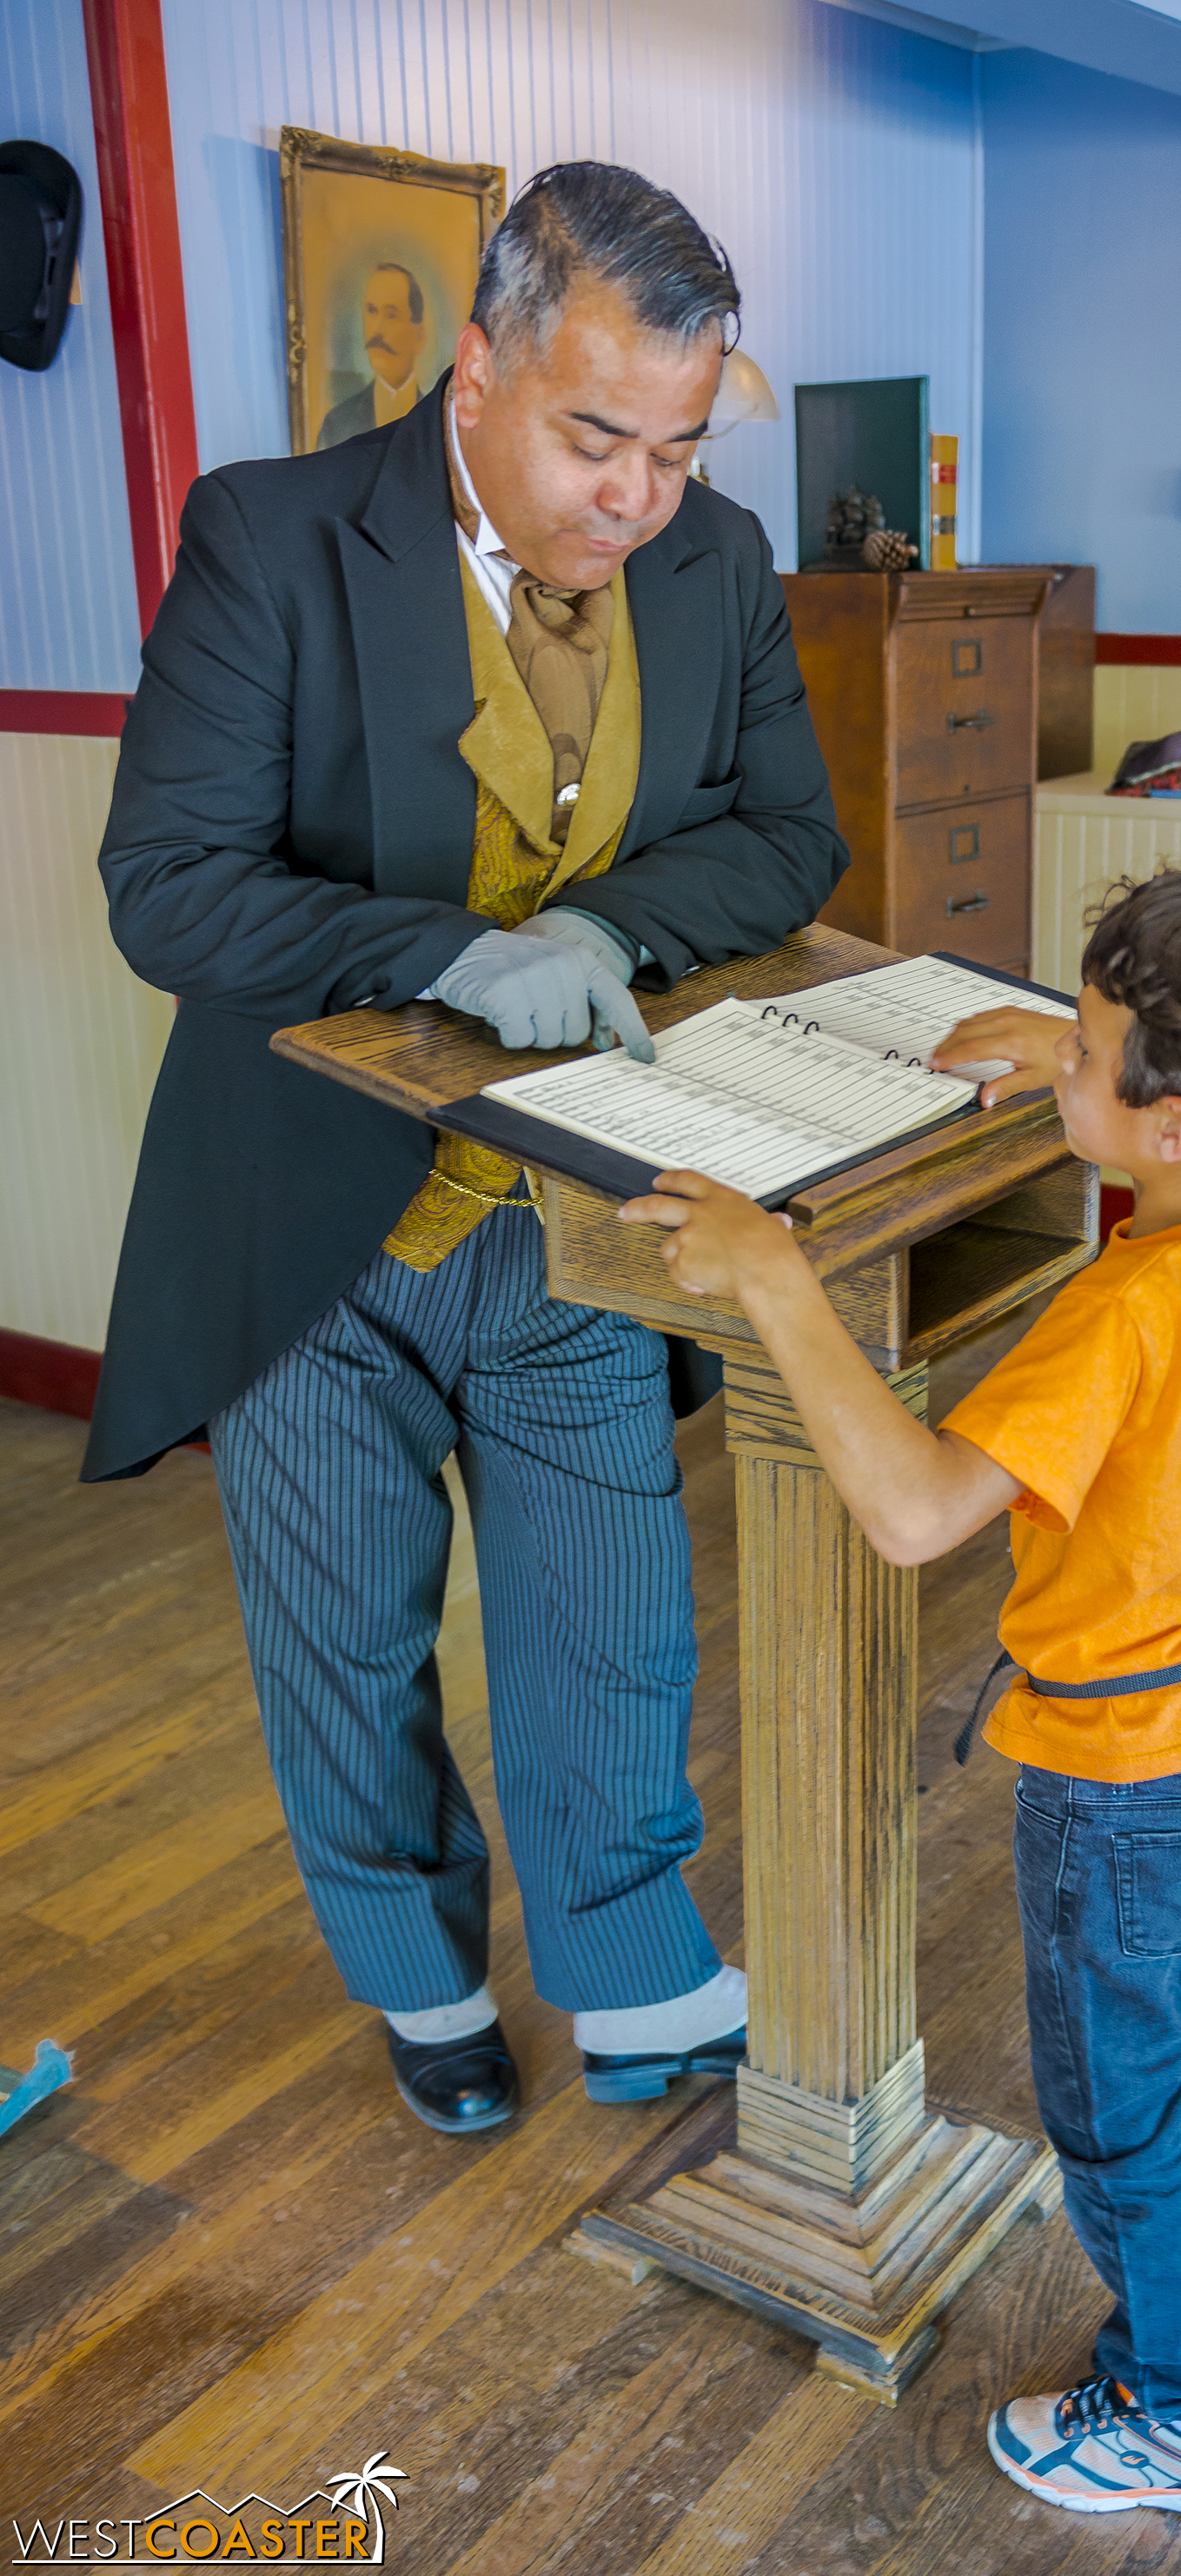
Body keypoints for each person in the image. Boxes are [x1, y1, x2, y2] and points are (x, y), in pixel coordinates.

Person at [84, 162, 847, 2137]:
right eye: (598, 437)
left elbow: (787, 837)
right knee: (343, 1643)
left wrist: (604, 931)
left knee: (610, 1627)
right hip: (304, 1225)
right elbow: (169, 889)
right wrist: (437, 950)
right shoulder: (268, 536)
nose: (637, 497)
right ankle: (416, 1977)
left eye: (676, 447)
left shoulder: (721, 557)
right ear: (476, 368)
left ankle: (624, 1975)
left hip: (582, 1209)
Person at [620, 868, 1181, 2520]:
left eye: (1089, 1057)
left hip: (1114, 1777)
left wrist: (771, 1278)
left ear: (1177, 1125)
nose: (1059, 1069)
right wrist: (1066, 1046)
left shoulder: (1125, 1309)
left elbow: (909, 1512)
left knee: (1113, 2125)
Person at [316, 260, 431, 448]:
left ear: (419, 336)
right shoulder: (336, 424)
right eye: (372, 311)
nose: (377, 329)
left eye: (391, 315)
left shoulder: (440, 421)